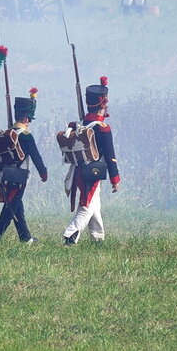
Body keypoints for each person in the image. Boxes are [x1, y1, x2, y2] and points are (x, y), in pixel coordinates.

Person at [62, 77, 121, 245]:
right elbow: (110, 156)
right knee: (86, 206)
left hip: (79, 171)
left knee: (95, 205)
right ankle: (70, 235)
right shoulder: (103, 129)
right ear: (102, 104)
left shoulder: (79, 124)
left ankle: (98, 239)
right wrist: (115, 179)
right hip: (94, 172)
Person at [0, 89, 48, 243]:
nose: (29, 122)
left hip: (3, 175)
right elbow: (36, 156)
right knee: (11, 207)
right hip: (18, 176)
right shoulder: (25, 136)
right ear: (25, 117)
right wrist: (44, 173)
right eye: (29, 118)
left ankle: (25, 237)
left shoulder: (8, 133)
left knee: (17, 205)